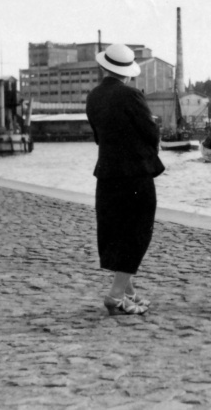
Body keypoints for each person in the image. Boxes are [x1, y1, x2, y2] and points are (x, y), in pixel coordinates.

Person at [86, 43, 165, 315]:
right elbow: (151, 133)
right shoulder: (131, 96)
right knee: (138, 232)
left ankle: (129, 292)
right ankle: (116, 294)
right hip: (135, 175)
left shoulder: (93, 96)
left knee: (117, 231)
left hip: (106, 173)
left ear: (103, 66)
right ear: (127, 72)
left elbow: (98, 135)